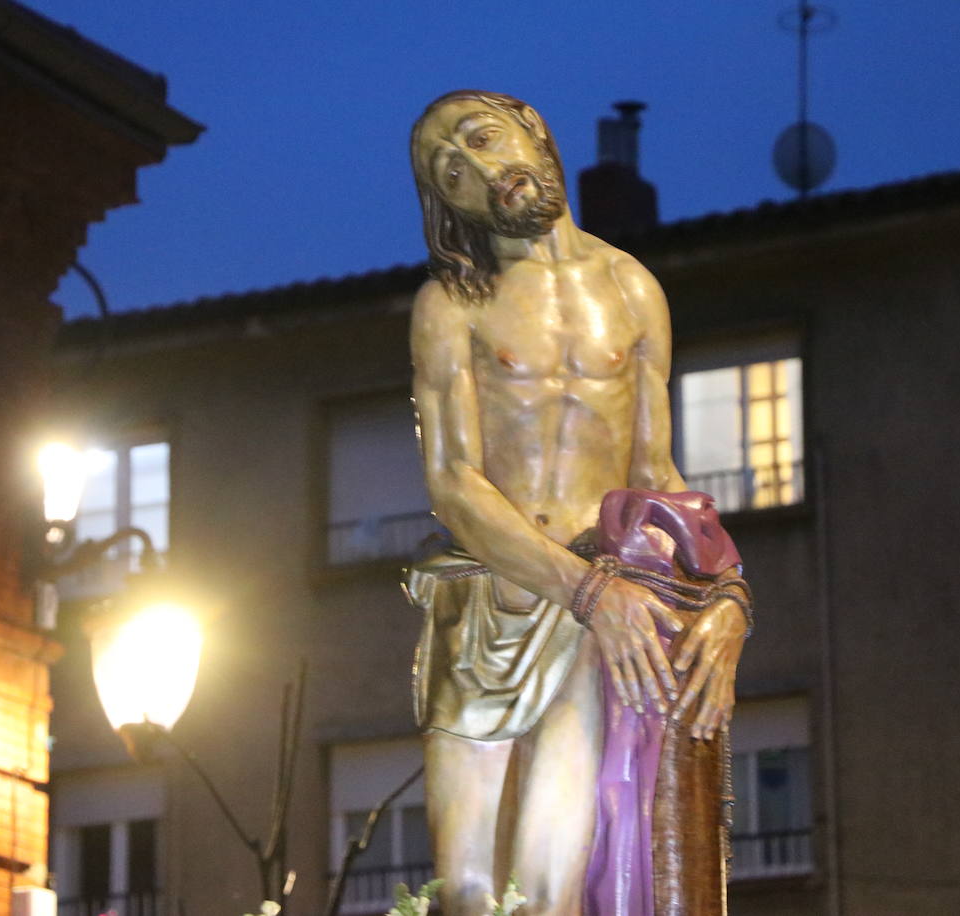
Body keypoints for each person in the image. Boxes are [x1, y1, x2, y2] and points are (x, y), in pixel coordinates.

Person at [405, 90, 749, 915]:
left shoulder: (634, 290)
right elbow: (453, 484)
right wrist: (587, 589)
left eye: (487, 138)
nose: (484, 169)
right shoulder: (453, 305)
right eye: (453, 170)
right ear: (445, 204)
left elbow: (657, 473)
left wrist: (730, 593)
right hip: (490, 604)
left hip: (600, 624)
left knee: (549, 893)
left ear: (534, 126)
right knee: (470, 892)